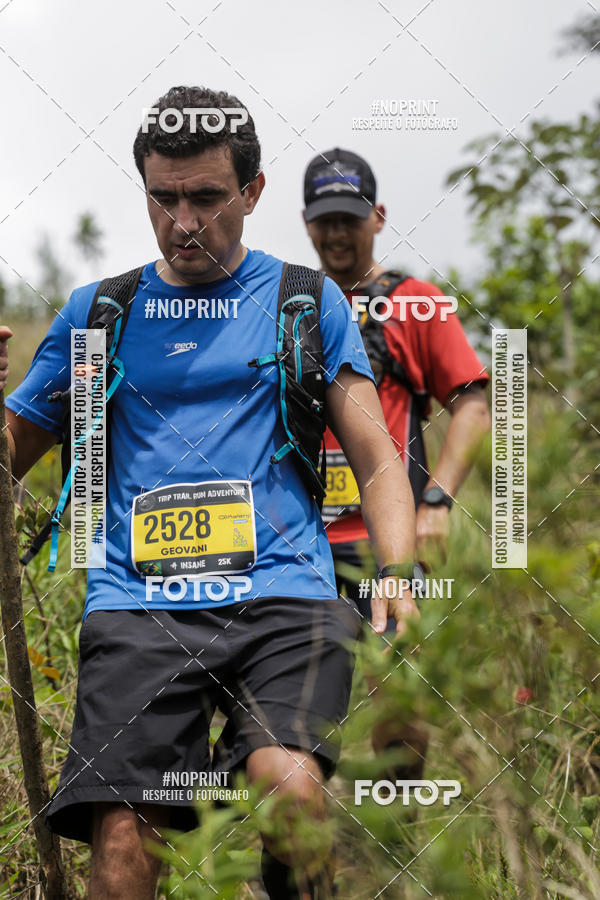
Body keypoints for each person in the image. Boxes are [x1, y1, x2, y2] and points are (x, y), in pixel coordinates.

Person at [1, 90, 420, 899]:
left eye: (205, 198)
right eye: (163, 198)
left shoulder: (306, 300)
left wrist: (397, 572)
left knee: (289, 789)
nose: (182, 221)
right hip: (137, 604)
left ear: (253, 193)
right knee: (125, 842)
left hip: (285, 595)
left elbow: (377, 458)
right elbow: (9, 460)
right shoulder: (100, 314)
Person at [302, 148, 491, 778]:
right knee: (293, 712)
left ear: (378, 217)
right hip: (301, 549)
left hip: (390, 541)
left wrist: (437, 500)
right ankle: (301, 844)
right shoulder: (291, 306)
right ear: (306, 223)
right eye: (323, 219)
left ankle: (400, 838)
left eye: (349, 218)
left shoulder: (415, 303)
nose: (335, 232)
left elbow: (473, 404)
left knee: (399, 700)